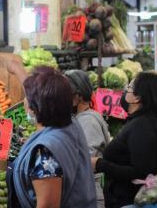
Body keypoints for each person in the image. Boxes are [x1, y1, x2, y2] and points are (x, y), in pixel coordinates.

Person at [6, 60, 96, 208]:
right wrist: (18, 70)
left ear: (34, 107)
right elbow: (46, 95)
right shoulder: (70, 125)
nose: (24, 99)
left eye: (27, 97)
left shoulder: (46, 152)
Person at [92, 71, 157, 208]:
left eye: (129, 88)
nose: (125, 92)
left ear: (137, 98)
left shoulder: (142, 126)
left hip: (129, 200)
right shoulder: (150, 121)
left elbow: (140, 172)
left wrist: (100, 164)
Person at [65, 69, 110, 208]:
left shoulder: (88, 121)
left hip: (90, 194)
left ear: (77, 96)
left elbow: (86, 161)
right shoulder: (79, 118)